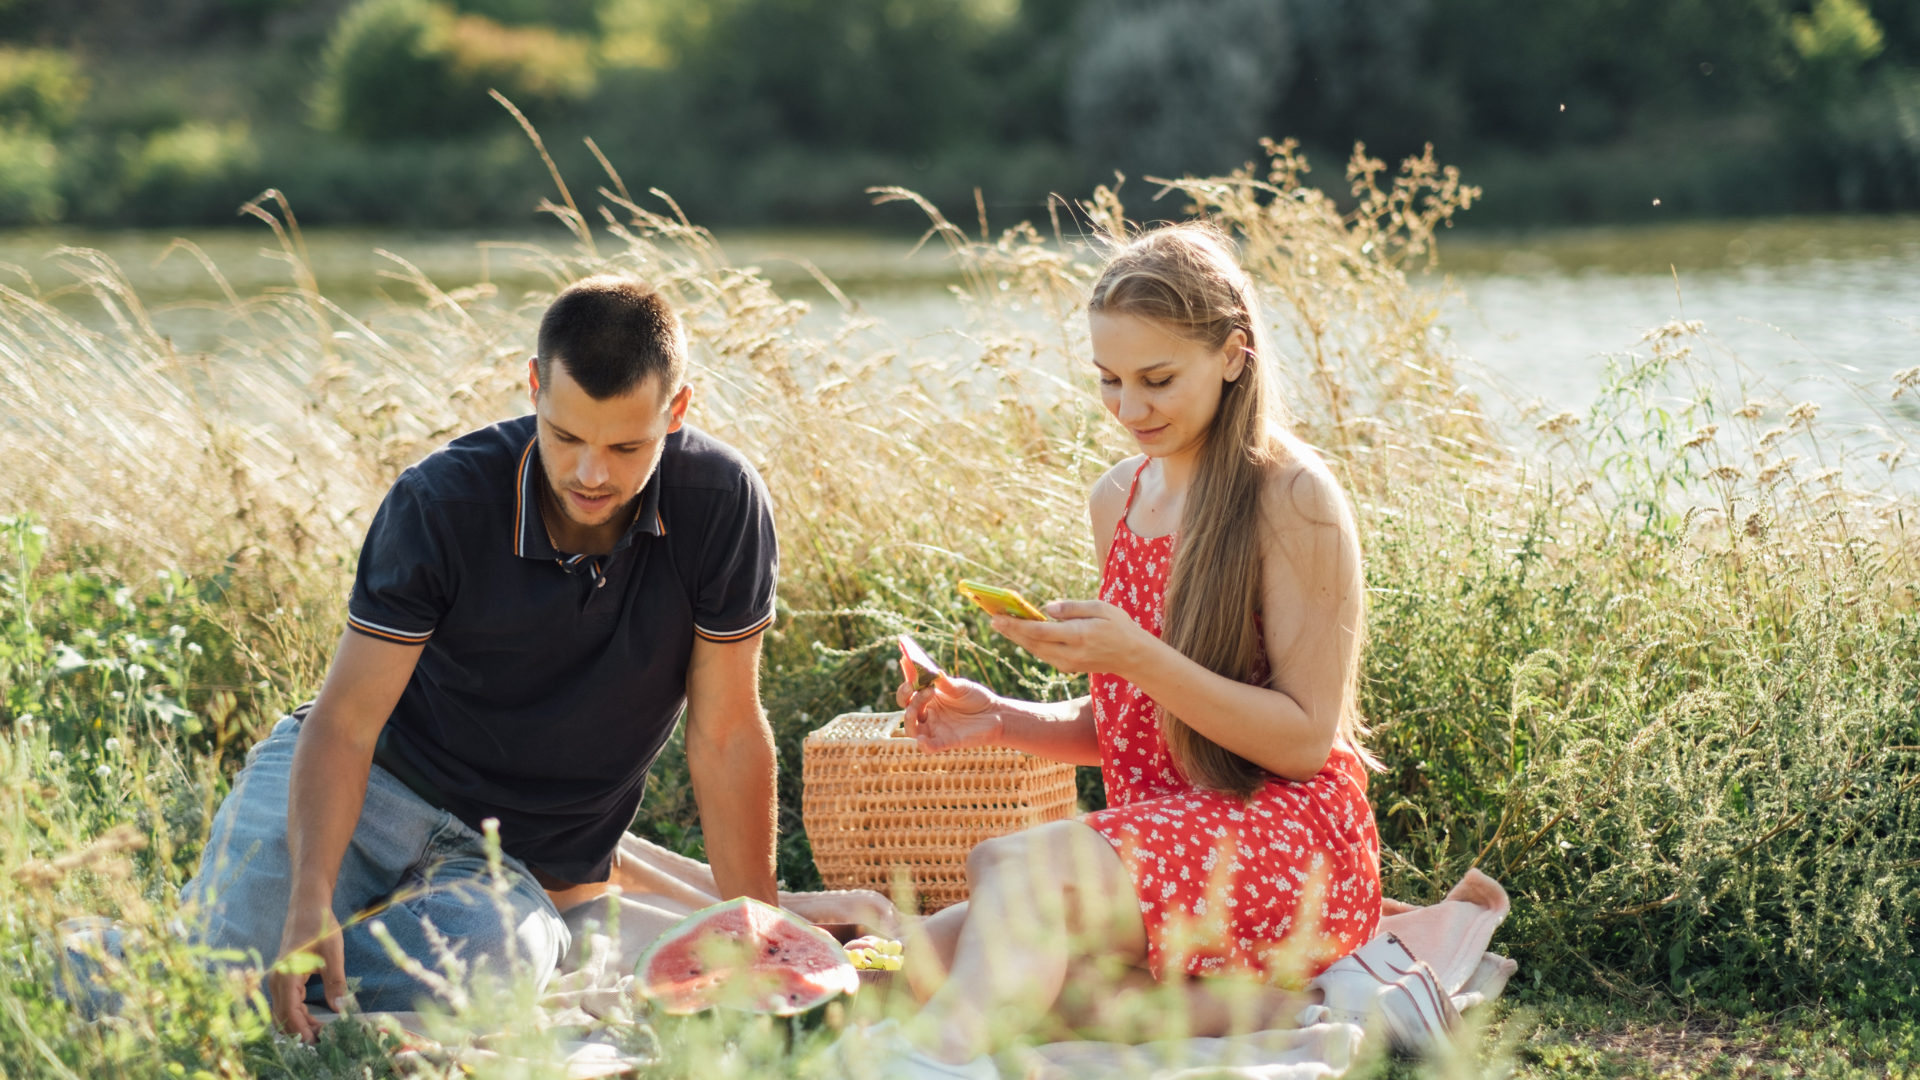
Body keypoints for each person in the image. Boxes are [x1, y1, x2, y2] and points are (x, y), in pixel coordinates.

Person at [179, 275, 789, 1041]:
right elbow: (346, 723)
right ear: (535, 387)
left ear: (678, 411)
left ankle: (273, 1002)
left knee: (500, 967)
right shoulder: (442, 503)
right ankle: (225, 978)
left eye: (626, 446)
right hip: (372, 787)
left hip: (509, 865)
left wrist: (762, 935)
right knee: (210, 978)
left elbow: (728, 734)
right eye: (566, 437)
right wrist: (311, 895)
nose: (591, 473)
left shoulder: (723, 504)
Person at [880, 225, 1381, 1077]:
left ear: (1233, 355)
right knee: (924, 966)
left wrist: (1138, 654)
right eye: (1109, 380)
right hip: (1169, 835)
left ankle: (934, 1066)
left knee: (1012, 870)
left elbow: (1301, 741)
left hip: (1286, 838)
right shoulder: (1120, 496)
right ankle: (1268, 1004)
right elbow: (1143, 721)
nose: (1129, 409)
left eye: (1157, 380)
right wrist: (1002, 718)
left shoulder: (1292, 497)